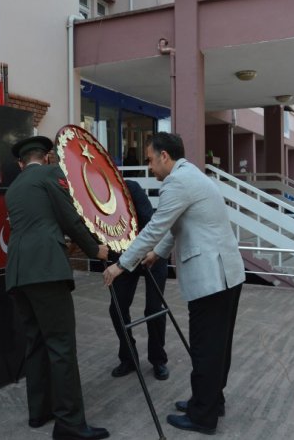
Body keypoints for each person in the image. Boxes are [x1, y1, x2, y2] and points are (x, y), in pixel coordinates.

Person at [102, 132, 245, 436]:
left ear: (165, 156)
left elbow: (155, 227)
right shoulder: (191, 176)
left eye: (151, 160)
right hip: (226, 274)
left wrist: (121, 265)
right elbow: (175, 226)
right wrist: (157, 254)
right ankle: (209, 401)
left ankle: (202, 416)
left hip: (212, 278)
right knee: (217, 346)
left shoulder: (177, 183)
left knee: (206, 347)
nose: (151, 167)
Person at [5, 136, 110, 440]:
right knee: (61, 346)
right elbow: (70, 218)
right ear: (47, 159)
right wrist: (95, 249)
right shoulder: (52, 175)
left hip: (18, 273)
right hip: (46, 271)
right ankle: (70, 424)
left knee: (35, 343)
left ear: (20, 164)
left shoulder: (14, 188)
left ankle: (39, 413)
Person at [107, 180, 169, 381]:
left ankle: (158, 359)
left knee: (153, 309)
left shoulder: (130, 188)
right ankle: (129, 357)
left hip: (151, 251)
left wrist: (149, 252)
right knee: (117, 307)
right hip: (125, 256)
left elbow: (151, 224)